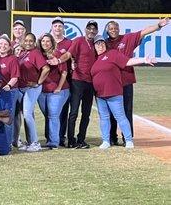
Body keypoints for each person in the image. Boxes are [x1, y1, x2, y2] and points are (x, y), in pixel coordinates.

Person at [105, 17, 169, 145]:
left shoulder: (127, 38)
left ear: (119, 29)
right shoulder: (104, 43)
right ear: (107, 31)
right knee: (111, 110)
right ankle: (112, 137)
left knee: (127, 110)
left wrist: (158, 25)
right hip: (111, 82)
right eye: (111, 29)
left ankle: (127, 138)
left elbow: (144, 32)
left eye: (115, 28)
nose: (113, 30)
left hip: (126, 80)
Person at [91, 35, 156, 149]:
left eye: (102, 43)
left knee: (120, 116)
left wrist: (144, 60)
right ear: (94, 47)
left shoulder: (113, 54)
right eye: (97, 44)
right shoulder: (95, 60)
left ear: (105, 44)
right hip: (100, 95)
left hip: (114, 93)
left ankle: (128, 140)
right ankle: (106, 140)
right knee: (104, 118)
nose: (100, 46)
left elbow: (127, 61)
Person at [50, 20, 98, 149]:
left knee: (86, 113)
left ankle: (81, 139)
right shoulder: (78, 40)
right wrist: (59, 60)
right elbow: (69, 54)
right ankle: (71, 140)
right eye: (89, 28)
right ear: (85, 29)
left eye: (94, 29)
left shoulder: (97, 44)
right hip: (78, 80)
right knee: (74, 112)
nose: (91, 31)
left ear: (97, 31)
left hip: (91, 82)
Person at [16, 33, 50, 152]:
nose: (28, 43)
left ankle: (35, 143)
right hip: (22, 88)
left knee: (27, 113)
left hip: (32, 88)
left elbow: (46, 68)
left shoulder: (35, 53)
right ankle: (28, 141)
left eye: (31, 41)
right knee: (24, 114)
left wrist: (38, 82)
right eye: (26, 40)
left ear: (34, 42)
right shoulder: (23, 53)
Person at [37, 33, 69, 149]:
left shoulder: (57, 54)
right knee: (49, 116)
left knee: (53, 115)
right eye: (43, 41)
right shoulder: (39, 55)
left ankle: (54, 142)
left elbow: (64, 73)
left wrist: (59, 87)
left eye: (48, 41)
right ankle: (50, 139)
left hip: (58, 90)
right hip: (42, 91)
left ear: (52, 43)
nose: (45, 43)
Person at [0, 35, 20, 147]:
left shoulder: (12, 59)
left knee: (7, 118)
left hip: (10, 91)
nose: (2, 46)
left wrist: (8, 86)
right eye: (0, 44)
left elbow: (15, 77)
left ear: (9, 47)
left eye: (5, 44)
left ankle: (8, 144)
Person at [50, 17, 73, 147]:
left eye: (60, 26)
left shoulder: (69, 42)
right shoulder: (48, 41)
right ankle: (51, 136)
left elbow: (73, 57)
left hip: (65, 80)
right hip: (51, 80)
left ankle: (60, 137)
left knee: (63, 110)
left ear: (63, 28)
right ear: (52, 27)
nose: (57, 28)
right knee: (52, 112)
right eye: (55, 26)